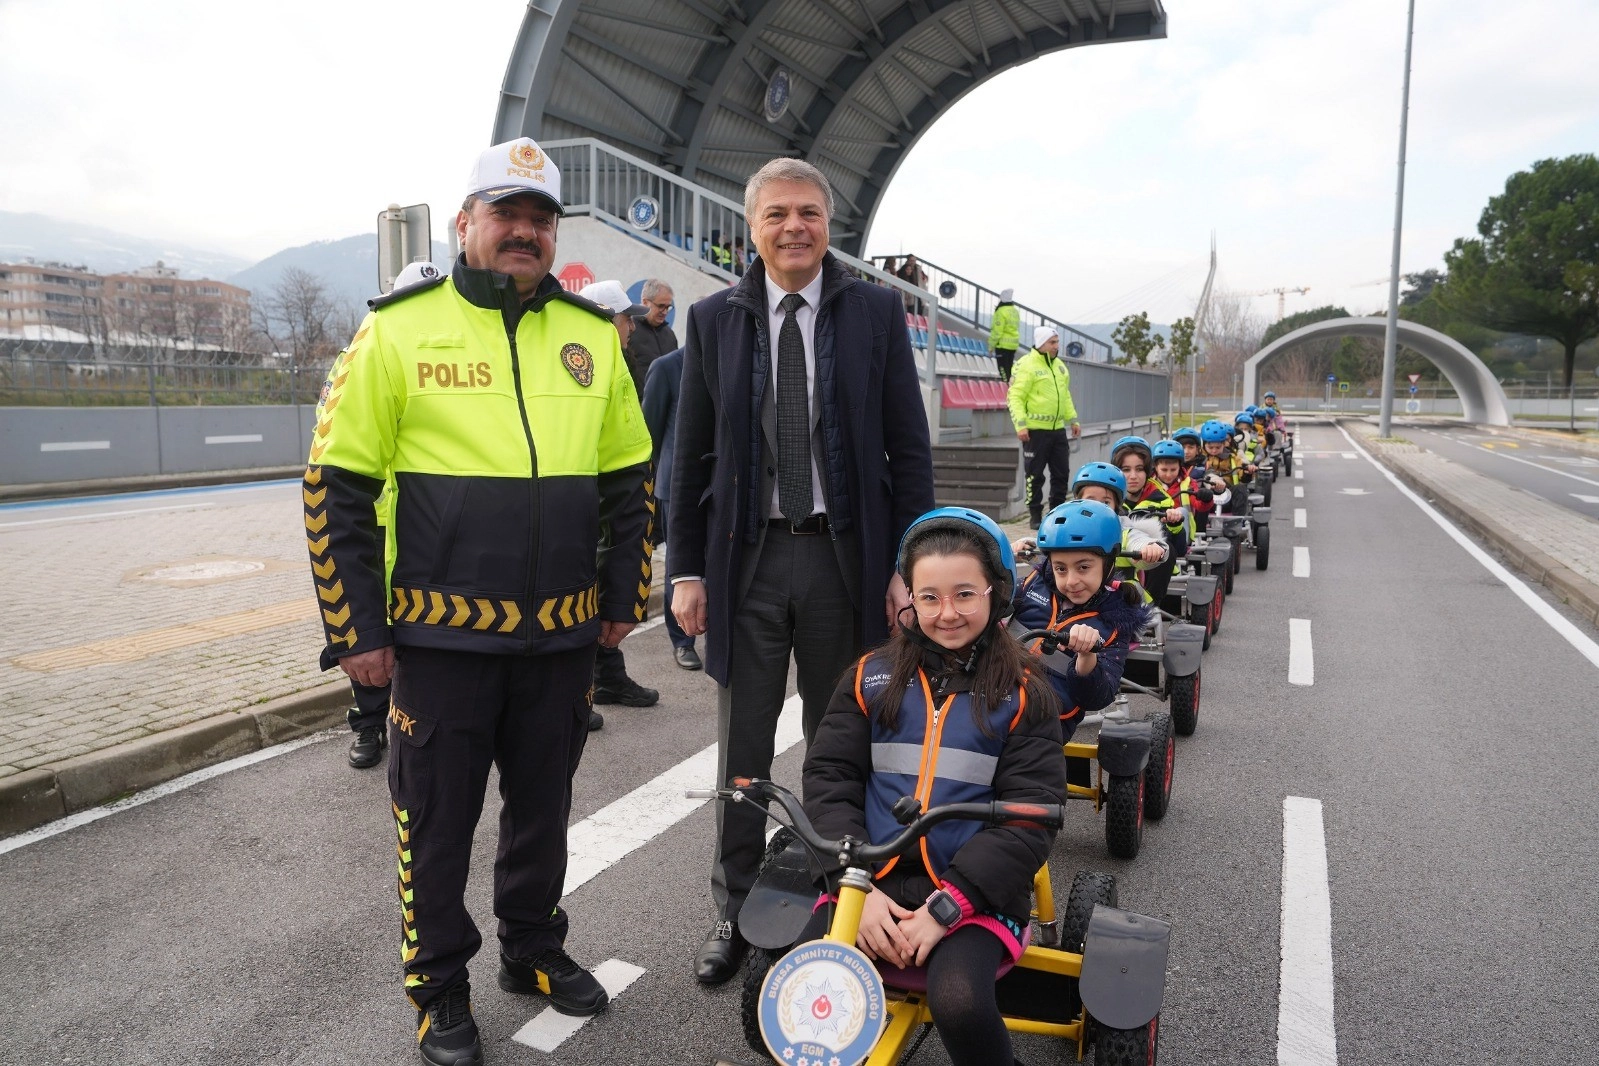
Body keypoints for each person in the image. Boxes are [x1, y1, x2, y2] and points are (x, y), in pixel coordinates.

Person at [304, 137, 654, 1066]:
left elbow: (629, 479)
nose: (524, 232)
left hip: (561, 640)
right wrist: (355, 631)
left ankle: (531, 949)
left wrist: (625, 594)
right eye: (506, 214)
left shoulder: (590, 337)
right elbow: (334, 489)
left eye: (541, 219)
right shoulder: (396, 331)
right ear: (465, 223)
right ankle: (437, 985)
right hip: (440, 640)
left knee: (542, 816)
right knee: (436, 827)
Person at [670, 157, 936, 985]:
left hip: (840, 558)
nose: (794, 227)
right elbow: (690, 455)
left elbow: (908, 449)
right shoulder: (713, 319)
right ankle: (733, 909)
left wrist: (911, 565)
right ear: (751, 228)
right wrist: (685, 570)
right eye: (777, 213)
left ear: (829, 225)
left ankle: (835, 902)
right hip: (746, 562)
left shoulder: (874, 314)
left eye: (809, 213)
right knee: (743, 748)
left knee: (838, 742)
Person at [803, 507, 1064, 1066]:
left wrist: (949, 906)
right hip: (867, 879)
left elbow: (1029, 818)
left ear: (996, 593)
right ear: (910, 601)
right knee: (803, 986)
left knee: (960, 1002)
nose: (947, 613)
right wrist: (854, 887)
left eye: (965, 594)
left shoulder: (1025, 693)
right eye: (929, 597)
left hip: (973, 894)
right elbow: (830, 778)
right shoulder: (870, 677)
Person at [579, 279, 665, 723]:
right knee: (591, 587)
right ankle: (584, 689)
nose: (631, 326)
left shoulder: (618, 359)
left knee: (604, 588)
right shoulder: (585, 365)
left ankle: (606, 677)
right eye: (625, 318)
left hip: (616, 490)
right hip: (593, 497)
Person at [1012, 499, 1153, 742]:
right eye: (1061, 569)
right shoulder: (1031, 585)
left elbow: (1098, 697)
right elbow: (987, 598)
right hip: (992, 697)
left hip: (1045, 721)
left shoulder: (1114, 624)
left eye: (1083, 567)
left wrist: (1087, 657)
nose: (1071, 581)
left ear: (1108, 564)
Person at [641, 345, 701, 669]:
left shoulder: (723, 360)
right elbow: (648, 431)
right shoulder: (666, 368)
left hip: (717, 485)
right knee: (681, 566)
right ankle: (682, 642)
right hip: (675, 487)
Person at [1006, 326, 1082, 528]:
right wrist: (1020, 425)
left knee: (1061, 474)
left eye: (1057, 342)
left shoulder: (1060, 367)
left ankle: (1057, 513)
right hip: (1035, 432)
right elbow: (1015, 396)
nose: (1057, 346)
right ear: (1041, 343)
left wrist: (1073, 419)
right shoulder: (1026, 365)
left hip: (1058, 430)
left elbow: (1065, 395)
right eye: (1052, 342)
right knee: (1035, 476)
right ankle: (1035, 515)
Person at [625, 279, 677, 396]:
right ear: (645, 302)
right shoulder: (629, 331)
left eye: (668, 307)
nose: (665, 312)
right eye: (661, 306)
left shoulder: (669, 334)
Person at [988, 287, 1020, 383]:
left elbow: (997, 331)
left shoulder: (1001, 312)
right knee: (1009, 369)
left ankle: (1005, 387)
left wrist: (991, 346)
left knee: (1003, 370)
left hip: (1003, 345)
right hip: (1013, 345)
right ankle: (1010, 386)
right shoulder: (1015, 311)